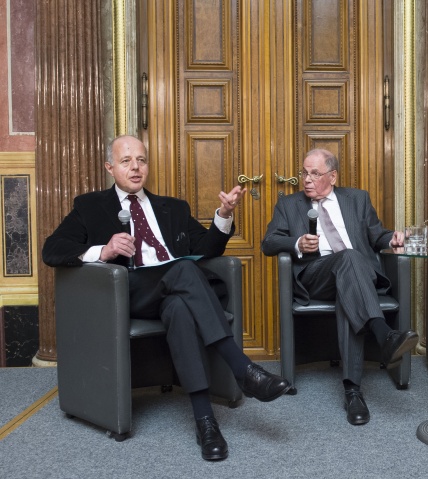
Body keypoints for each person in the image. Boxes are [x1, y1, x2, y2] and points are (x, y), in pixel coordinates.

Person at [42, 135, 292, 461]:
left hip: (172, 293)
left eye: (141, 160)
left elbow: (206, 250)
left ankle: (205, 422)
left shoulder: (173, 207)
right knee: (184, 273)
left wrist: (224, 213)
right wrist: (103, 250)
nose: (135, 167)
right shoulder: (90, 206)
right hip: (127, 293)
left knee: (180, 307)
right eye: (126, 161)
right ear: (110, 167)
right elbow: (53, 250)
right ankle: (243, 369)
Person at [261, 148, 419, 426]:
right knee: (348, 258)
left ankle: (353, 391)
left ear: (332, 176)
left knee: (349, 277)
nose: (306, 179)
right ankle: (383, 335)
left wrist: (392, 239)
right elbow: (269, 242)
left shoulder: (357, 199)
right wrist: (296, 243)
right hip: (315, 275)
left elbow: (376, 235)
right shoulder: (289, 205)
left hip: (356, 276)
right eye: (304, 172)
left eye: (315, 173)